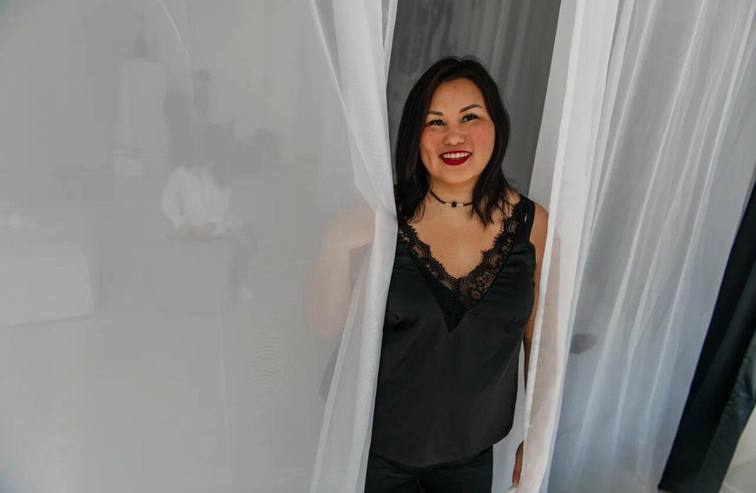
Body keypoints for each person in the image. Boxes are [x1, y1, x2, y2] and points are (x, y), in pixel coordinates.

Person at [363, 56, 548, 492]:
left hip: (470, 455)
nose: (454, 135)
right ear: (415, 136)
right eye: (435, 122)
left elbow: (541, 343)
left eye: (470, 116)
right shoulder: (379, 221)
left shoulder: (532, 224)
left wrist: (537, 434)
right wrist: (338, 240)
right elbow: (322, 328)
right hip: (374, 450)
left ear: (496, 125)